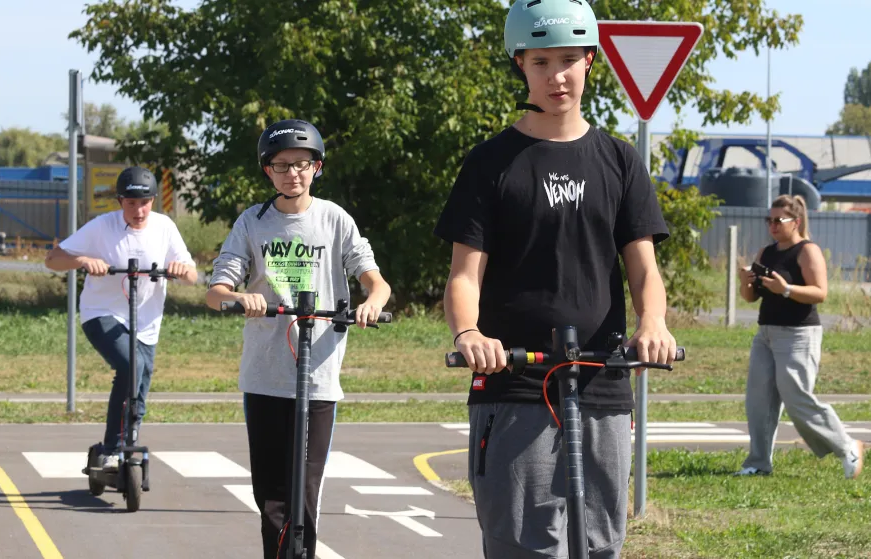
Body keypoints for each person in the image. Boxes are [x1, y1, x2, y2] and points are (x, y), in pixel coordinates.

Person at [433, 1, 677, 557]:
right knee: (522, 545)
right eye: (541, 61)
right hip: (516, 383)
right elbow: (464, 275)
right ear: (520, 64)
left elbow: (644, 269)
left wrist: (653, 322)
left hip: (603, 384)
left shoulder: (618, 160)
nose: (556, 76)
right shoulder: (491, 163)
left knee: (600, 546)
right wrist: (469, 334)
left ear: (590, 60)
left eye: (569, 59)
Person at [205, 119, 391, 559]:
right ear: (267, 170)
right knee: (270, 495)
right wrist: (238, 296)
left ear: (317, 167)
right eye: (282, 165)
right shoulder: (253, 222)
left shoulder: (334, 220)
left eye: (302, 164)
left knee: (305, 495)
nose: (293, 173)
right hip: (266, 376)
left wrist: (370, 302)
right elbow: (216, 293)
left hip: (318, 375)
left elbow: (376, 281)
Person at [45, 166, 198, 470]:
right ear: (119, 202)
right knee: (131, 366)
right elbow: (53, 259)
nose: (138, 210)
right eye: (130, 203)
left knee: (139, 386)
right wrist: (84, 260)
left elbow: (192, 275)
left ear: (153, 201)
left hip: (147, 321)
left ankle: (126, 441)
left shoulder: (164, 227)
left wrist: (181, 271)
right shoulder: (102, 226)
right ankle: (112, 446)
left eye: (144, 203)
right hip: (101, 313)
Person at [735, 194, 864, 478]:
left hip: (799, 335)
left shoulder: (807, 251)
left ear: (797, 221)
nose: (772, 225)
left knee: (797, 399)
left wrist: (786, 289)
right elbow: (750, 298)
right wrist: (745, 283)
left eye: (778, 220)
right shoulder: (765, 253)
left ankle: (848, 446)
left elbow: (820, 293)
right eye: (769, 220)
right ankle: (757, 463)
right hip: (766, 333)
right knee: (757, 401)